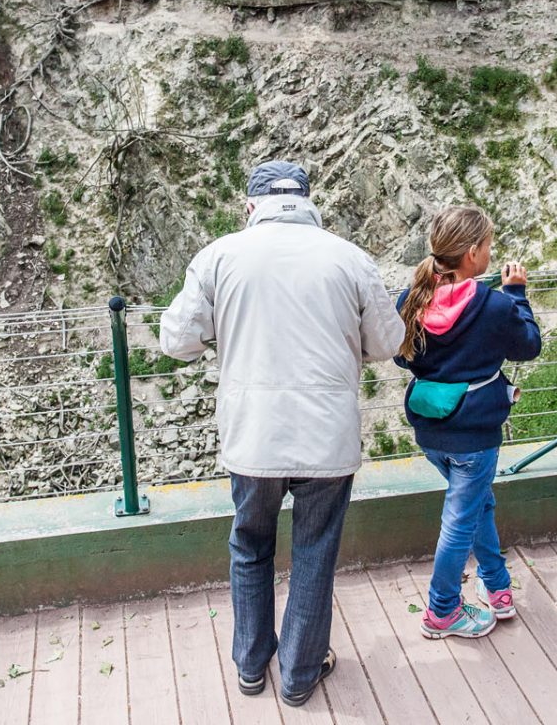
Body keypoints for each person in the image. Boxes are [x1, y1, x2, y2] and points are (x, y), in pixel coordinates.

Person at [159, 160, 405, 707]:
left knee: (250, 547)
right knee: (315, 552)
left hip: (253, 439)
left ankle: (251, 667)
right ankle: (298, 675)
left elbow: (177, 340)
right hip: (327, 439)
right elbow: (388, 341)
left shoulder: (219, 256)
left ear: (251, 206)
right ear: (308, 201)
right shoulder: (349, 257)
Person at [395, 205, 541, 639]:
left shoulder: (411, 299)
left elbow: (402, 356)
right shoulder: (494, 305)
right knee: (460, 519)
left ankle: (496, 586)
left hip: (431, 430)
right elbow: (528, 346)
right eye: (489, 246)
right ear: (473, 253)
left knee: (477, 504)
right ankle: (442, 611)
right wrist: (517, 294)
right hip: (475, 434)